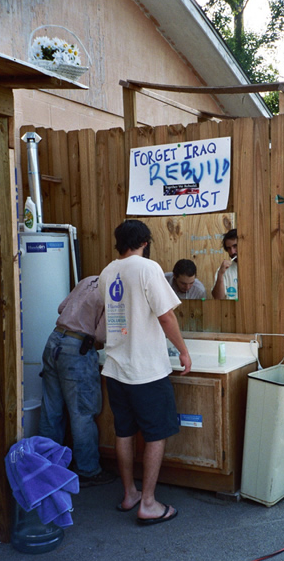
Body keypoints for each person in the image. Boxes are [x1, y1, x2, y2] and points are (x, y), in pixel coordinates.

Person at [99, 220, 191, 525]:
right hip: (146, 370)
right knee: (156, 435)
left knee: (123, 432)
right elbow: (166, 317)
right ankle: (149, 503)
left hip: (115, 368)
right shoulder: (147, 268)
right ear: (145, 241)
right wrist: (183, 350)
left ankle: (130, 494)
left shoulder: (107, 272)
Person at [38, 276, 116, 488]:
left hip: (54, 341)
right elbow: (100, 333)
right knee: (82, 412)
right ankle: (88, 470)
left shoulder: (90, 279)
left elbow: (61, 307)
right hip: (77, 348)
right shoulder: (116, 289)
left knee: (51, 410)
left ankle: (47, 467)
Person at [211, 228, 238, 300]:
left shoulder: (256, 266)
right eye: (229, 248)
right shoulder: (223, 270)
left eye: (235, 246)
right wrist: (220, 274)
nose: (232, 252)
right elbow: (218, 298)